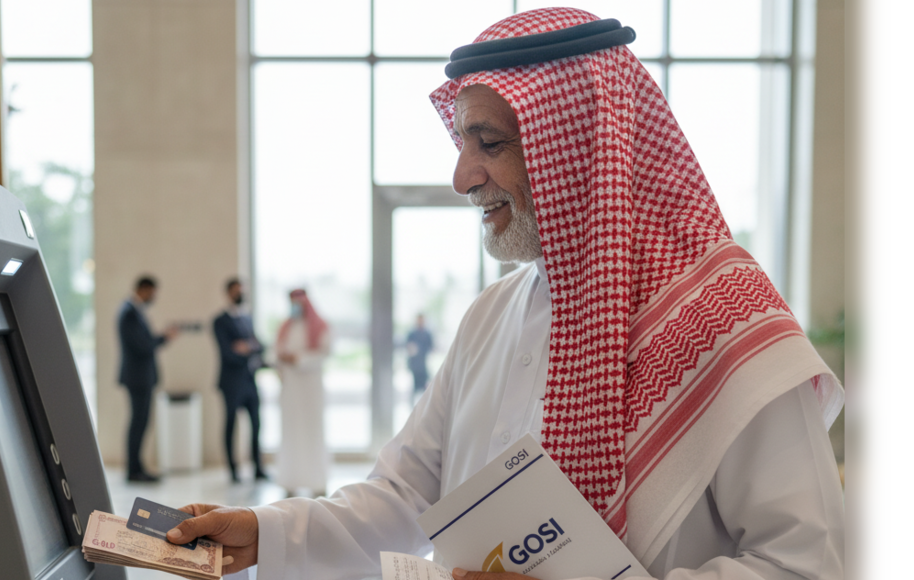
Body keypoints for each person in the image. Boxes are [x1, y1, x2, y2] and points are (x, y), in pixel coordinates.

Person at [167, 9, 845, 580]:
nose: (462, 176)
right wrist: (263, 532)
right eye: (463, 142)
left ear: (579, 147)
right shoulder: (492, 314)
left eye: (488, 143)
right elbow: (406, 496)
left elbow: (801, 565)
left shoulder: (727, 321)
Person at [117, 275, 178, 483]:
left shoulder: (134, 311)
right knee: (138, 423)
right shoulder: (129, 313)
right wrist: (164, 338)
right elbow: (142, 345)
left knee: (141, 423)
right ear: (143, 289)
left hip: (141, 378)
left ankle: (137, 467)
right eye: (152, 293)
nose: (153, 297)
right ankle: (133, 470)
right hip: (137, 378)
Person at [274, 289, 331, 497]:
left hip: (311, 388)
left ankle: (316, 481)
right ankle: (290, 481)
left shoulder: (320, 326)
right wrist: (282, 359)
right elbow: (275, 352)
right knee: (291, 433)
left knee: (312, 432)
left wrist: (298, 359)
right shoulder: (286, 327)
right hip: (291, 389)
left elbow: (324, 353)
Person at [213, 277, 267, 483]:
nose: (240, 294)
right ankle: (233, 469)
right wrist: (246, 349)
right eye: (236, 290)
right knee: (230, 425)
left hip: (249, 380)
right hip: (231, 382)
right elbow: (227, 353)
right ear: (228, 293)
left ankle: (258, 467)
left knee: (256, 424)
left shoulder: (247, 318)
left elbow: (260, 345)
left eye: (242, 290)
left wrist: (246, 347)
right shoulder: (220, 321)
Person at [406, 314, 434, 396]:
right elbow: (408, 346)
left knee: (424, 386)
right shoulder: (412, 334)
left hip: (423, 364)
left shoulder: (427, 334)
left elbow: (431, 347)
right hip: (414, 365)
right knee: (414, 387)